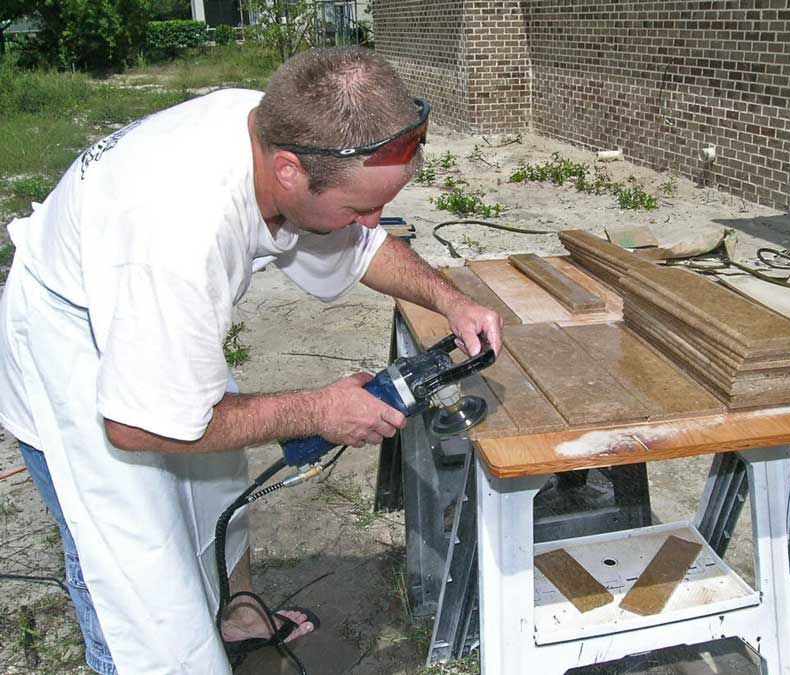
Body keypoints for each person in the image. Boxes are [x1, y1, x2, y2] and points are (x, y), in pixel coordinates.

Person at [0, 47, 502, 674]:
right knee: (133, 579)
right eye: (358, 209)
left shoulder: (281, 129)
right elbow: (142, 425)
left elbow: (362, 245)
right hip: (74, 341)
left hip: (155, 303)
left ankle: (237, 618)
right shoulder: (177, 232)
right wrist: (318, 410)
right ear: (289, 172)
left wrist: (450, 300)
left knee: (214, 484)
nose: (373, 222)